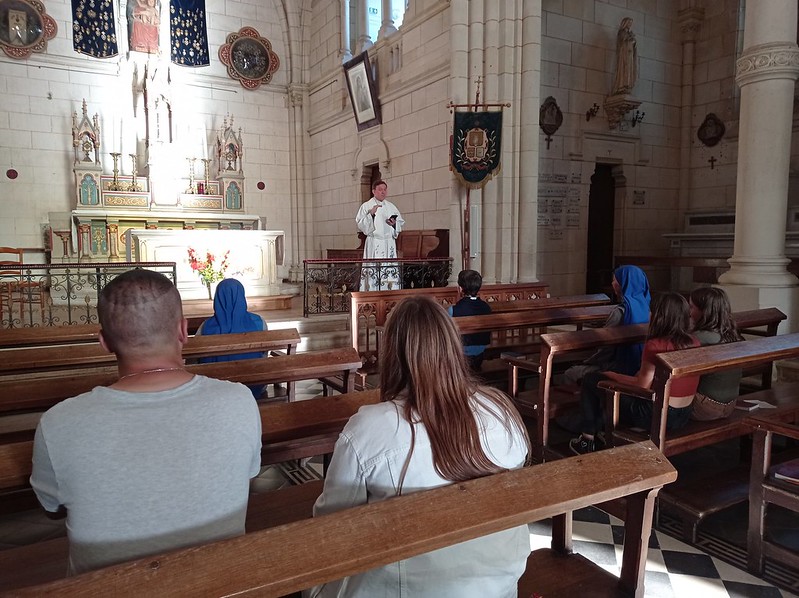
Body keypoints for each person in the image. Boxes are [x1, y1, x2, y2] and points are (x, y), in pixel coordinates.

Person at [29, 269, 262, 575]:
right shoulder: (240, 401)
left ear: (104, 342)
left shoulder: (58, 423)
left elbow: (53, 510)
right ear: (182, 331)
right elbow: (243, 477)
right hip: (222, 582)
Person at [308, 296, 530, 597]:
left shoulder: (370, 427)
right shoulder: (499, 409)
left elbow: (331, 524)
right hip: (497, 584)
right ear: (452, 346)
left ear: (393, 354)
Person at [570, 292, 700, 455]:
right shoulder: (694, 341)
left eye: (652, 312)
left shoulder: (656, 344)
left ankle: (586, 440)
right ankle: (601, 432)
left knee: (592, 380)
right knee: (606, 381)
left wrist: (612, 375)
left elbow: (641, 385)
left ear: (660, 316)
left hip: (658, 415)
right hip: (683, 414)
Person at [564, 264, 651, 385]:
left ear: (624, 284)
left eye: (616, 280)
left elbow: (606, 349)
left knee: (571, 373)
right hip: (640, 368)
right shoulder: (648, 311)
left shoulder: (620, 313)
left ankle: (587, 402)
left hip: (618, 368)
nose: (612, 283)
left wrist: (587, 362)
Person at [196, 278, 268, 398]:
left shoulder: (205, 327)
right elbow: (264, 352)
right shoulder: (259, 322)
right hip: (253, 384)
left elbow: (195, 358)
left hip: (214, 386)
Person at [689, 287, 743, 421]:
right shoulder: (733, 335)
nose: (689, 313)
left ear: (704, 312)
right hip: (730, 405)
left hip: (704, 407)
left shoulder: (698, 338)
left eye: (691, 307)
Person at [355, 179, 405, 291]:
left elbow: (400, 223)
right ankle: (372, 293)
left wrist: (394, 224)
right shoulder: (366, 206)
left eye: (385, 189)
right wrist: (371, 215)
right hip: (374, 242)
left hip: (388, 243)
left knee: (389, 270)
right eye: (380, 189)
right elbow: (361, 224)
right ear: (374, 191)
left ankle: (390, 292)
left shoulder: (391, 206)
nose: (383, 192)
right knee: (373, 270)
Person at [448, 269, 492, 371]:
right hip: (480, 353)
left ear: (460, 288)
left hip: (461, 355)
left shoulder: (453, 310)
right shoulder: (486, 307)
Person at [612, 17, 637, 95]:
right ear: (625, 23)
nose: (630, 25)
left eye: (631, 23)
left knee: (629, 69)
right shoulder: (621, 32)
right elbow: (622, 41)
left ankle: (627, 85)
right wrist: (630, 38)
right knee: (623, 69)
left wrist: (634, 41)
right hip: (624, 55)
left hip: (629, 55)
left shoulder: (629, 33)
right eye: (629, 23)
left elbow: (633, 44)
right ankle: (621, 86)